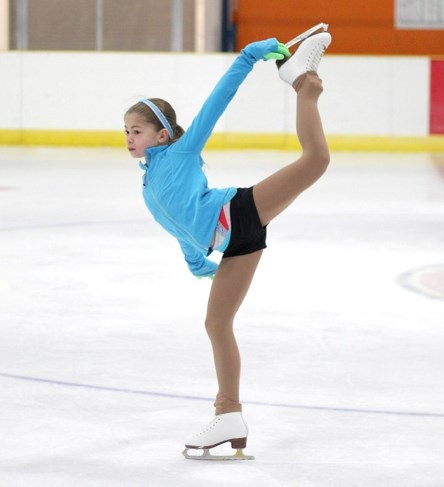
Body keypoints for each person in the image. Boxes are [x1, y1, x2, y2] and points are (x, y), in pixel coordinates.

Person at [123, 29, 331, 460]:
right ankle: (229, 414)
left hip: (238, 213)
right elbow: (178, 226)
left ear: (162, 135)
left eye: (137, 130)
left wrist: (246, 59)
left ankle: (303, 84)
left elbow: (215, 104)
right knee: (216, 325)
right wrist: (196, 262)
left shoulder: (179, 154)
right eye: (126, 130)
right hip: (236, 245)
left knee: (315, 160)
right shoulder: (148, 186)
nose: (129, 137)